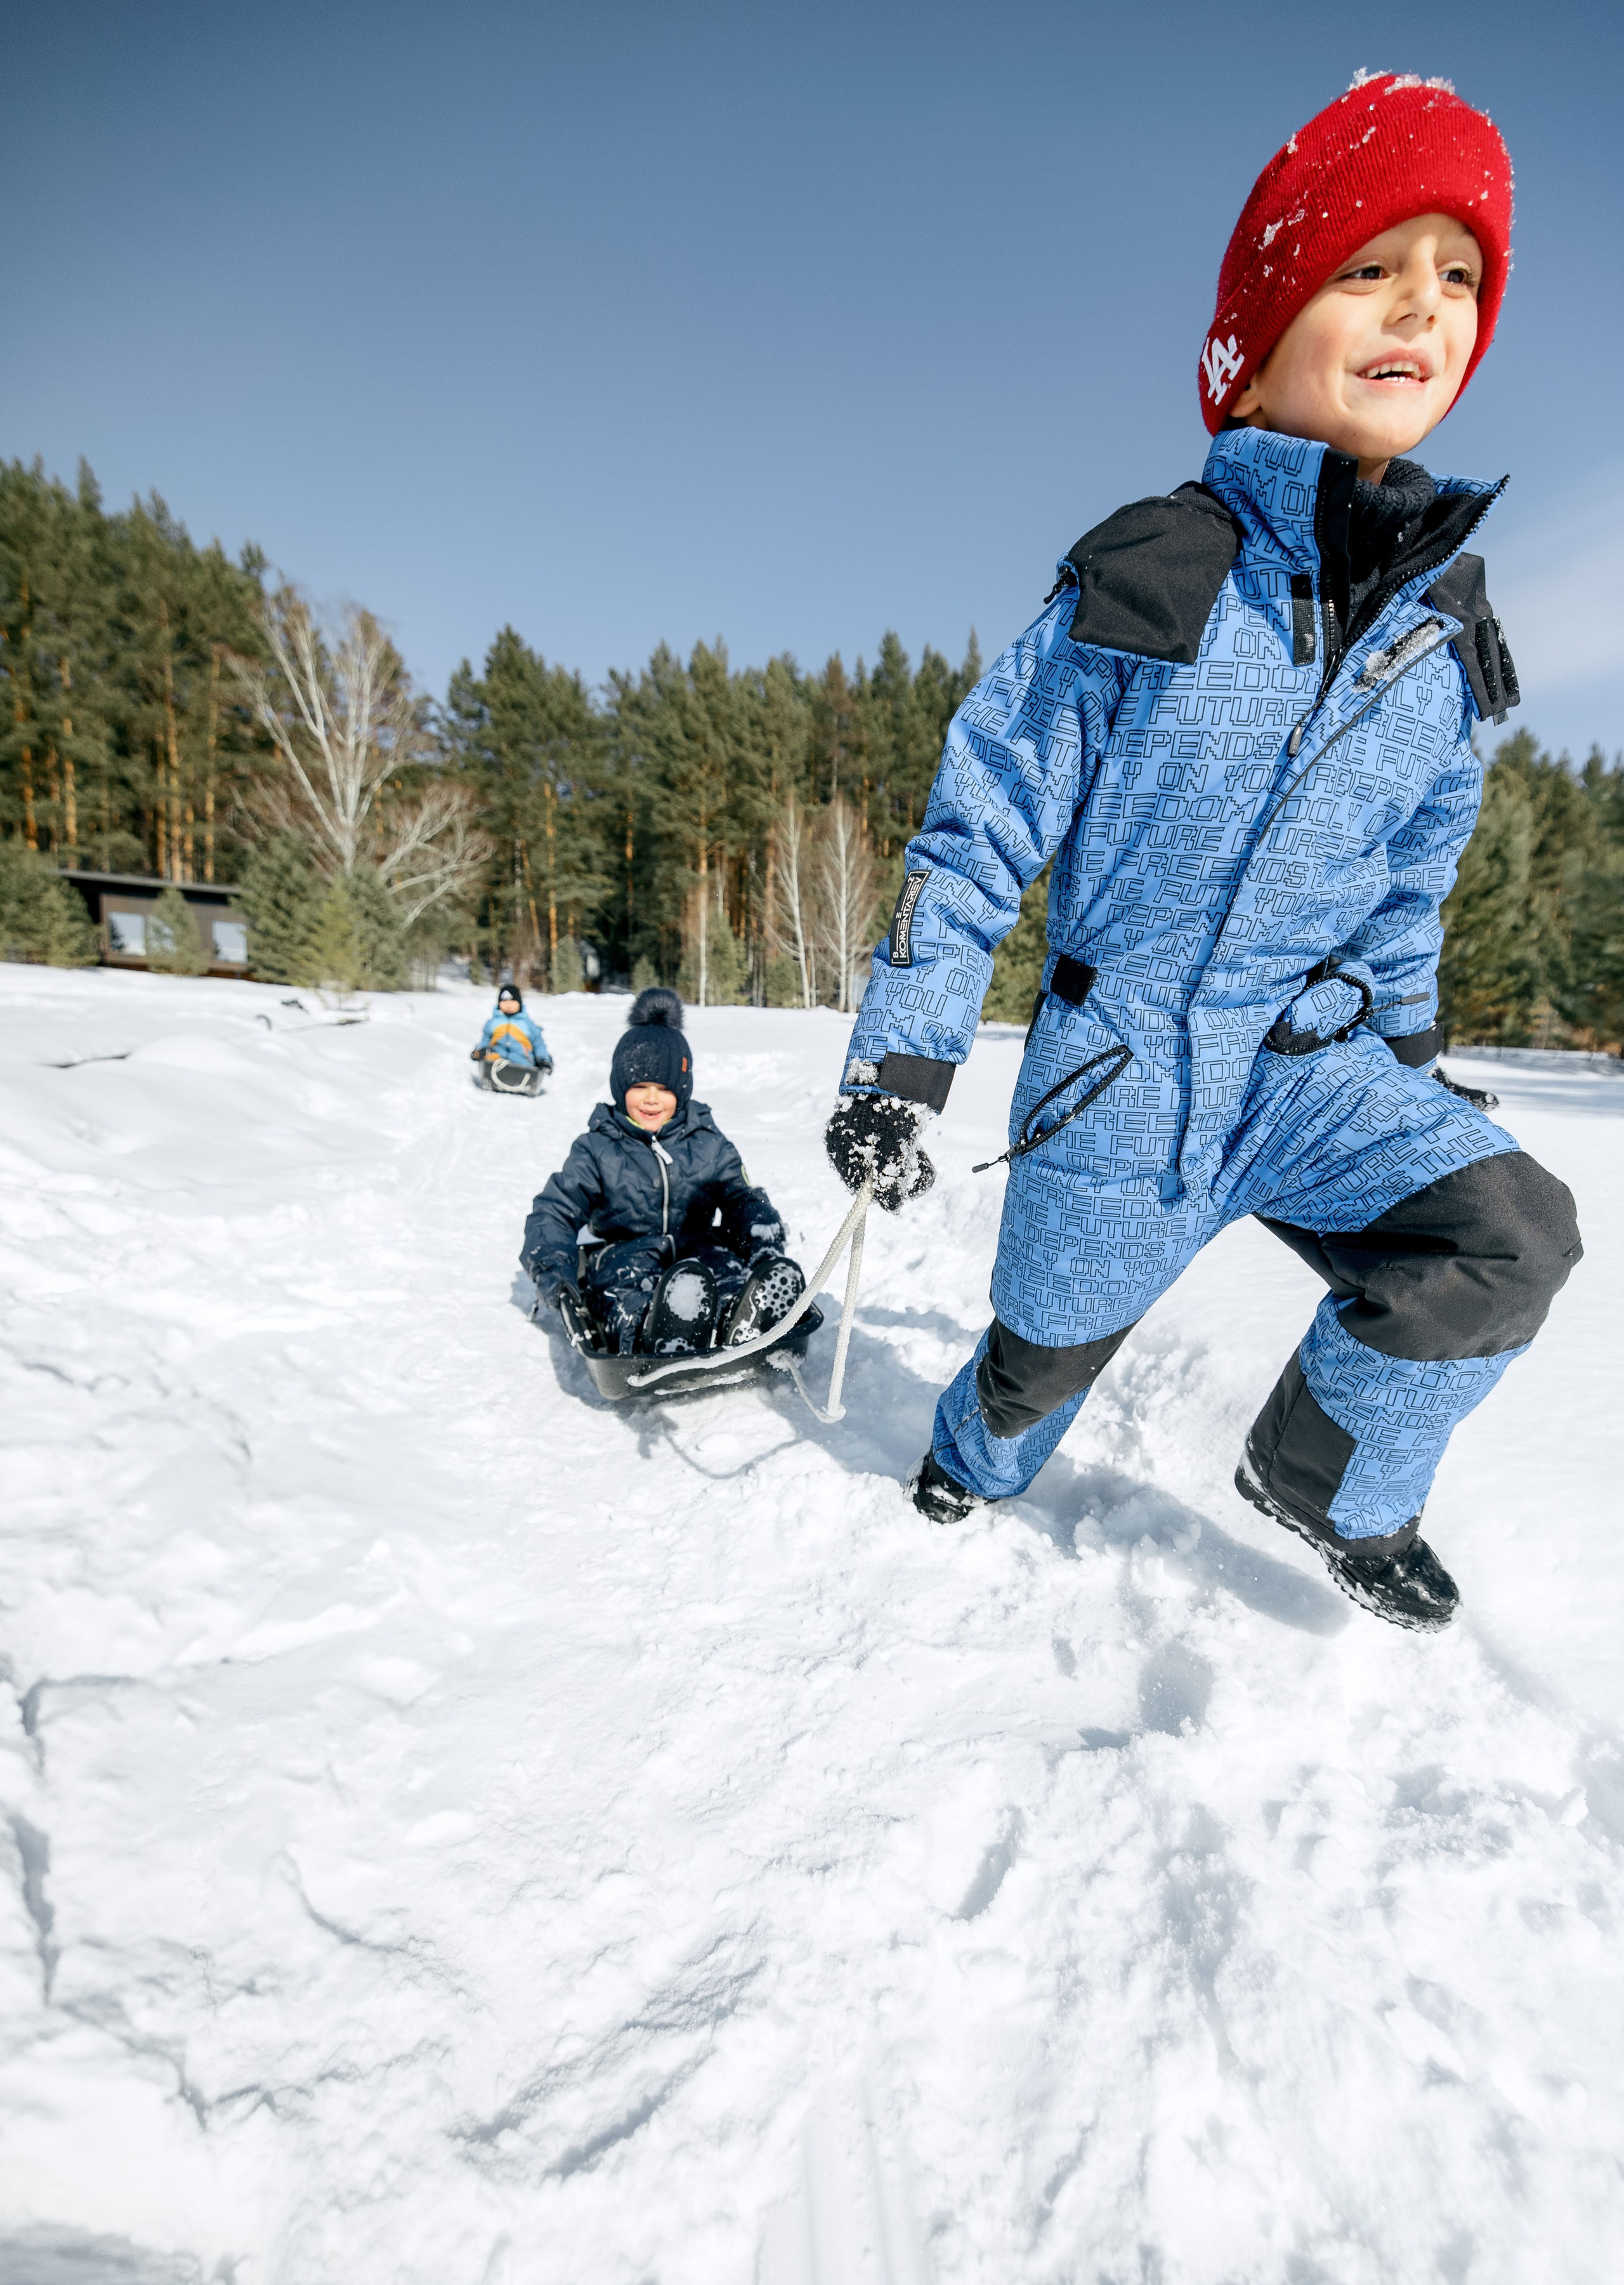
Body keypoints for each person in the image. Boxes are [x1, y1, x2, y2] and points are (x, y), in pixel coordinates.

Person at [824, 74, 1581, 1631]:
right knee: (1038, 1362)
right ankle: (969, 1459)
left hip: (1303, 1065)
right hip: (1117, 1080)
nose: (1417, 309)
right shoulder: (1151, 575)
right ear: (1260, 323)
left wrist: (1408, 1054)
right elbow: (976, 831)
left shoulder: (1442, 634)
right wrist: (899, 1066)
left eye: (1455, 280)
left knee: (1506, 1235)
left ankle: (1327, 1480)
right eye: (1368, 267)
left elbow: (1410, 876)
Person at [523, 988, 806, 1357]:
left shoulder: (706, 1140)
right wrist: (554, 1271)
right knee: (624, 1295)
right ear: (620, 1088)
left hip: (699, 1247)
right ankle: (652, 1331)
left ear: (682, 1091)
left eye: (664, 1089)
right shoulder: (597, 1147)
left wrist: (761, 1233)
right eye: (639, 1087)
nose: (652, 1099)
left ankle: (744, 1321)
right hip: (624, 1253)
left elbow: (741, 1196)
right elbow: (554, 1212)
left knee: (727, 1274)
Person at [471, 984, 553, 1078]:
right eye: (505, 1001)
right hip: (496, 1062)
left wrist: (544, 1060)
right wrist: (480, 1050)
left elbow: (539, 1045)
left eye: (513, 1001)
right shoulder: (492, 1023)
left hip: (523, 1064)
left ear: (519, 1003)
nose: (509, 1004)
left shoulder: (527, 1024)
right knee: (489, 1056)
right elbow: (485, 1041)